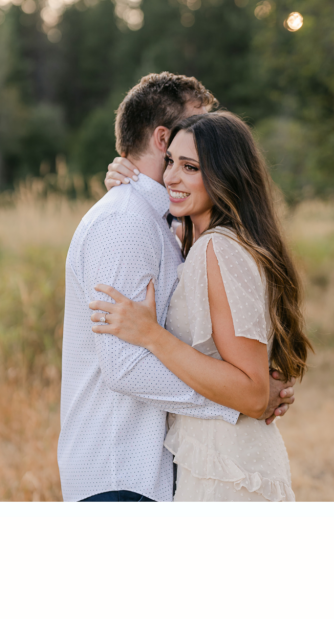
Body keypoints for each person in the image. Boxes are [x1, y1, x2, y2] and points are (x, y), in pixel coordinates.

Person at [57, 73, 295, 502]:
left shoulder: (177, 228)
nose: (207, 133)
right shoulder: (127, 222)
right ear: (164, 139)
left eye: (195, 162)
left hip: (168, 467)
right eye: (197, 128)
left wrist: (250, 391)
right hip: (120, 471)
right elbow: (124, 367)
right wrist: (241, 401)